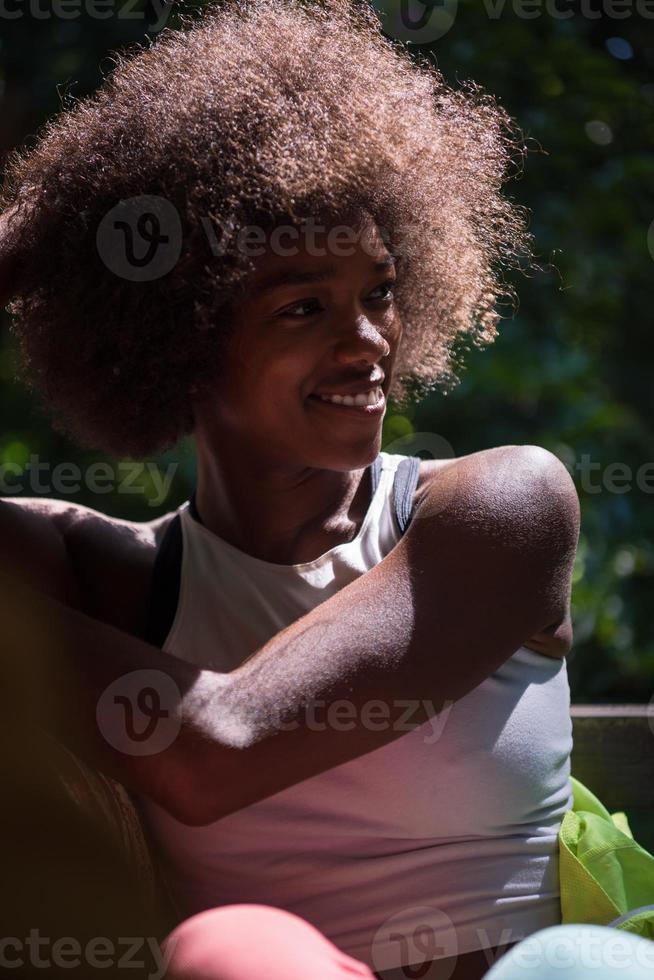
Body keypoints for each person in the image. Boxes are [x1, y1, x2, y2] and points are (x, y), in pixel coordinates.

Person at [0, 0, 616, 977]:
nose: (369, 339)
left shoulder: (499, 504)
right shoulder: (116, 576)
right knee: (230, 945)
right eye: (304, 303)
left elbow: (214, 748)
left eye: (378, 290)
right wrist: (51, 250)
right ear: (179, 339)